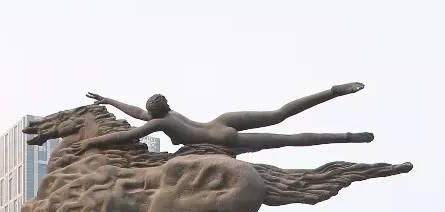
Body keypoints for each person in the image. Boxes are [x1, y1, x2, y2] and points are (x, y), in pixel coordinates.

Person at [82, 83, 373, 155]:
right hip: (221, 121)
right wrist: (110, 100)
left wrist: (90, 143)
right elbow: (136, 111)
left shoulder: (160, 121)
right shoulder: (169, 114)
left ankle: (349, 137)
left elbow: (126, 133)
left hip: (221, 138)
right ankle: (335, 91)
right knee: (280, 114)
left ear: (154, 113)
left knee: (289, 141)